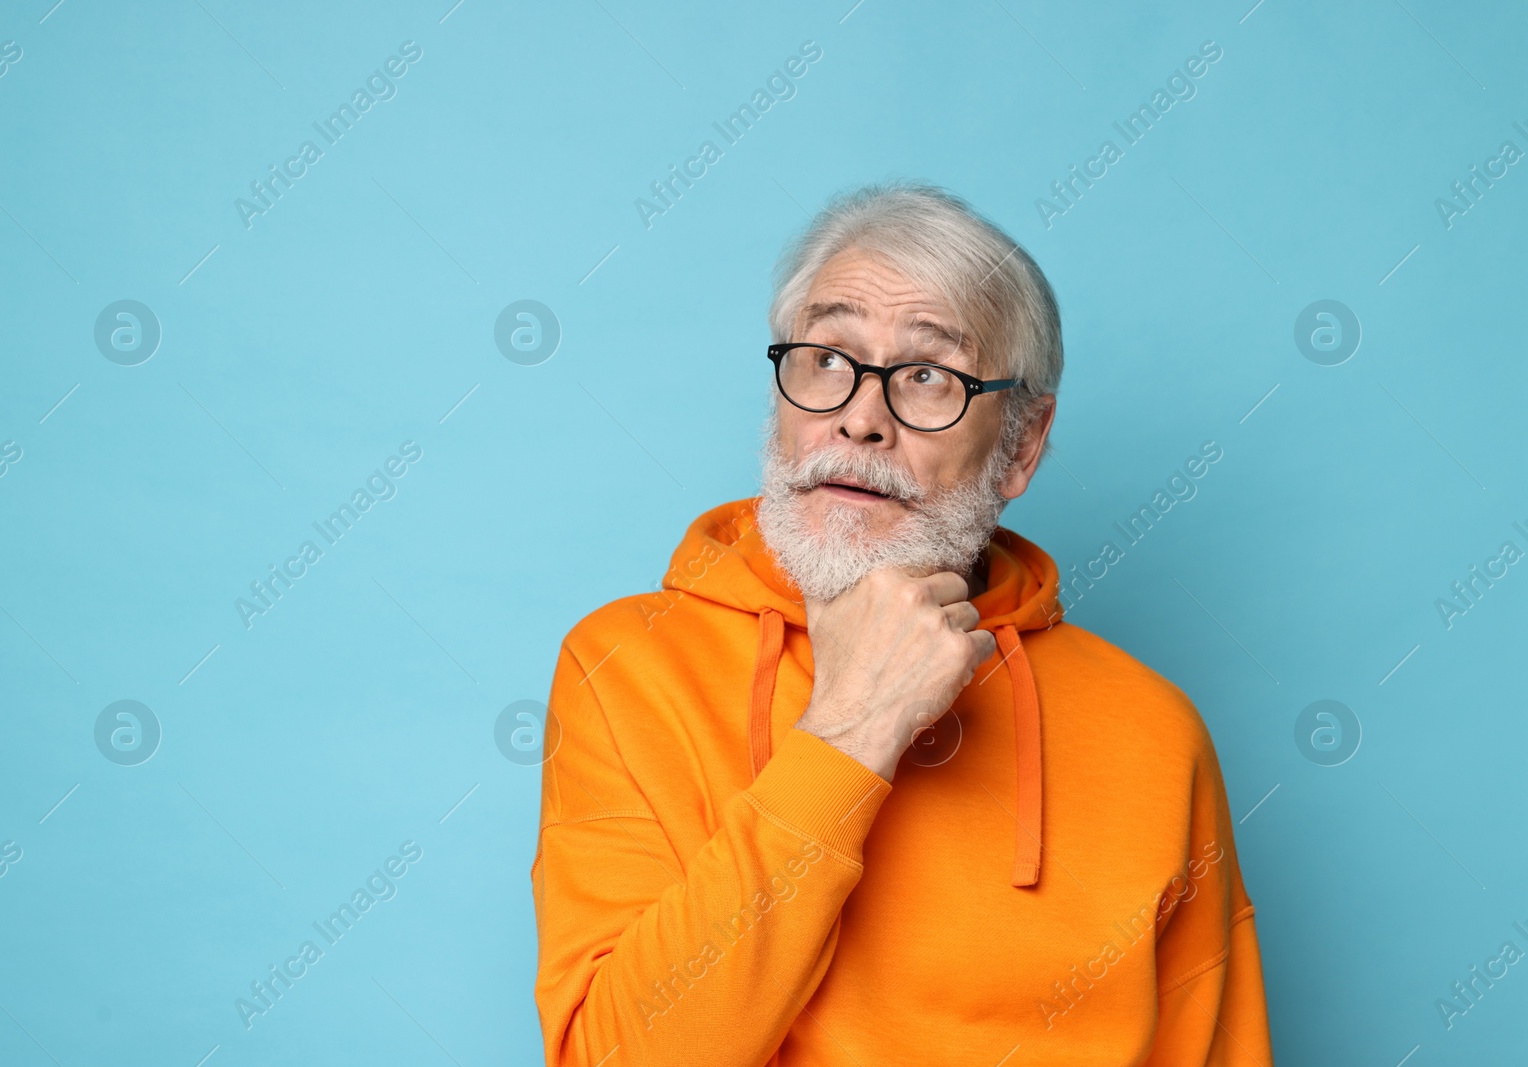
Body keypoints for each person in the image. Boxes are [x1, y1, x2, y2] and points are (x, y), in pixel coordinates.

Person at [531, 180, 1273, 1065]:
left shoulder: (1156, 732)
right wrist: (851, 731)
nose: (858, 417)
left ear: (1022, 446)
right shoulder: (628, 666)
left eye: (927, 376)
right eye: (827, 358)